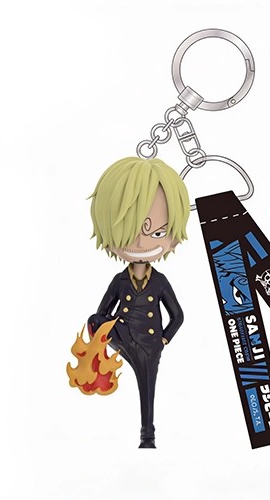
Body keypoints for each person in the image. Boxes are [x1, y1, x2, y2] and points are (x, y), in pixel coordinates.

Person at [87, 157, 190, 448]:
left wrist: (163, 340)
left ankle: (148, 435)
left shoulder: (160, 281)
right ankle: (99, 370)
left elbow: (178, 315)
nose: (142, 244)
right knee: (94, 321)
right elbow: (101, 314)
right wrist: (102, 340)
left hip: (150, 343)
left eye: (158, 233)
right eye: (130, 233)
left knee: (147, 386)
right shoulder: (119, 281)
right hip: (123, 338)